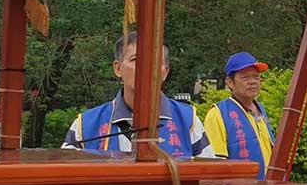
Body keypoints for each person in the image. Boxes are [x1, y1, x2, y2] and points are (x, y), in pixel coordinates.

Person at [65, 31, 210, 157]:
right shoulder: (85, 125)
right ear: (118, 68)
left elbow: (209, 178)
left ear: (165, 72)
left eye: (154, 61)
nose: (145, 67)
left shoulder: (187, 120)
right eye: (135, 60)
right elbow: (65, 180)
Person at [202, 52, 274, 178]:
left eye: (256, 77)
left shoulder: (261, 110)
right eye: (245, 78)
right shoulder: (218, 114)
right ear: (230, 82)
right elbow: (216, 165)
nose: (252, 82)